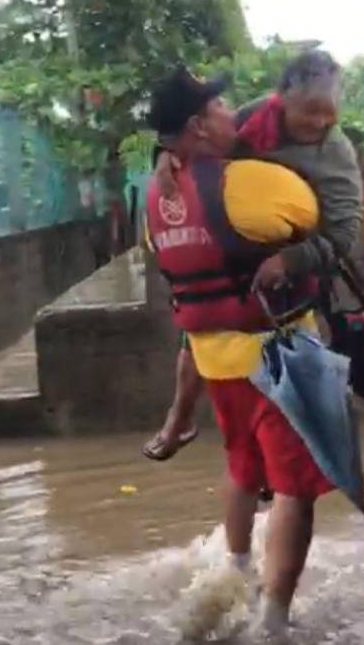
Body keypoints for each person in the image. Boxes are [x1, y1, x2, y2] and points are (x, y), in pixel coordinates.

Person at [144, 66, 336, 634]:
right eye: (223, 106)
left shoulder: (156, 196)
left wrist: (180, 411)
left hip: (215, 364)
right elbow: (311, 211)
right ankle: (274, 620)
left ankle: (234, 567)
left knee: (243, 469)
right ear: (200, 127)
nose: (236, 112)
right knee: (296, 489)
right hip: (279, 359)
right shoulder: (248, 183)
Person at [142, 50, 363, 462]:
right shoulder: (250, 120)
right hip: (246, 241)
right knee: (200, 311)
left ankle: (315, 445)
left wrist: (291, 261)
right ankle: (182, 415)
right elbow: (193, 143)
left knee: (311, 356)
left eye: (328, 113)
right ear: (281, 99)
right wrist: (164, 160)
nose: (318, 123)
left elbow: (346, 235)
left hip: (310, 254)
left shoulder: (336, 153)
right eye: (308, 112)